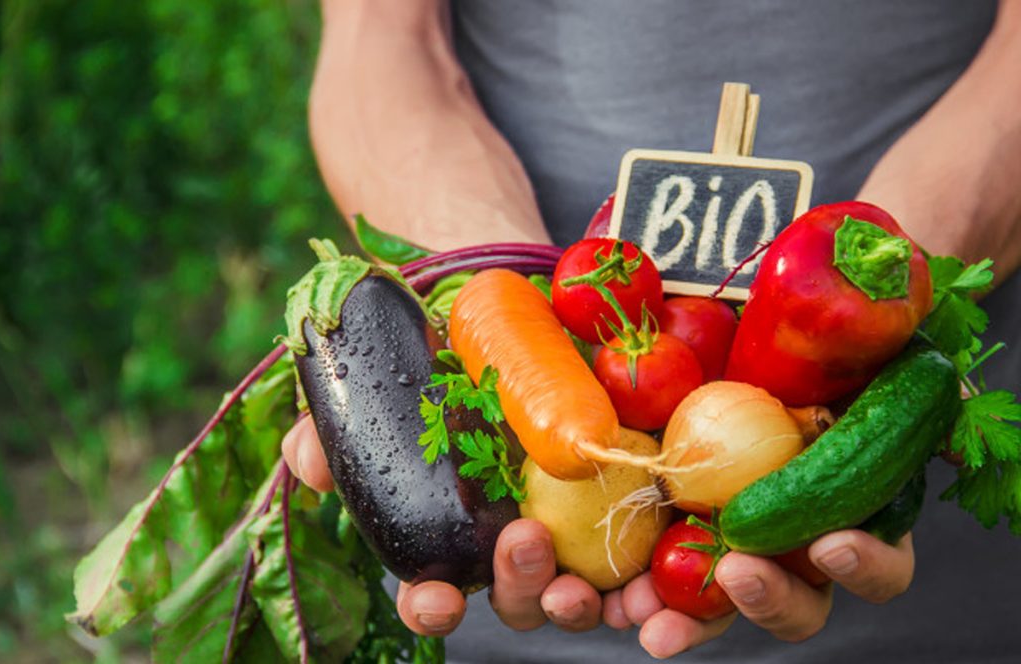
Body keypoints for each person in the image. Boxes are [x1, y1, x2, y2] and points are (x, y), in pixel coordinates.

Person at [284, 1, 1021, 661]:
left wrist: (885, 302)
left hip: (928, 571)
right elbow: (378, 33)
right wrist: (489, 302)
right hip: (509, 530)